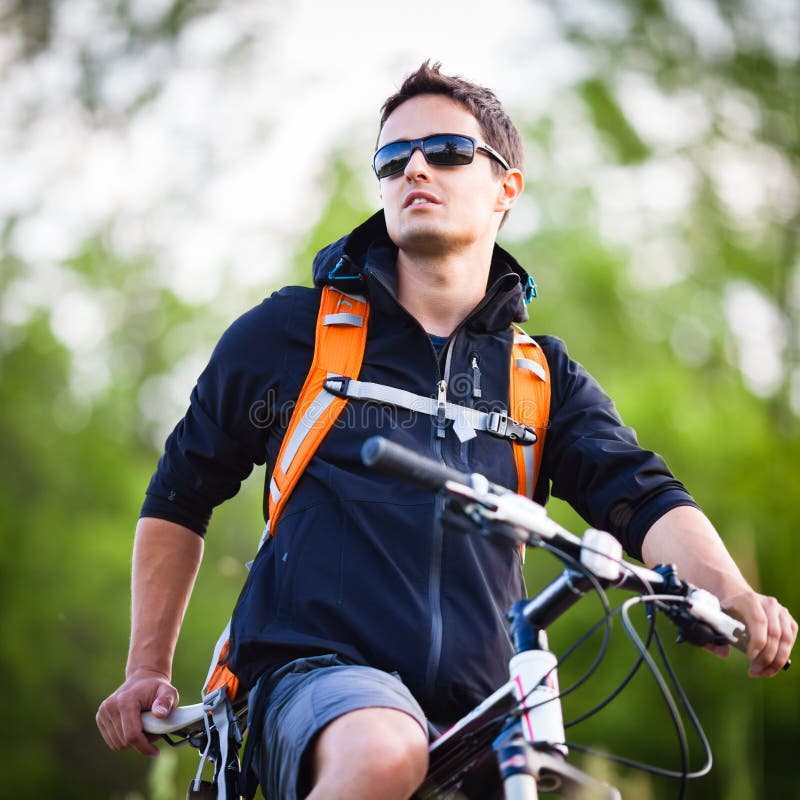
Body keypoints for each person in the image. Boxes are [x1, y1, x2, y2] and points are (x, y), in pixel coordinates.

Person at [96, 62, 796, 800]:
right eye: (392, 160)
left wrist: (730, 591)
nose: (415, 169)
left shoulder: (540, 378)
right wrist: (147, 667)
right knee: (382, 748)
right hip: (315, 682)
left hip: (485, 708)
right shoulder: (293, 335)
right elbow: (180, 492)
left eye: (447, 151)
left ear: (507, 189)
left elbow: (641, 494)